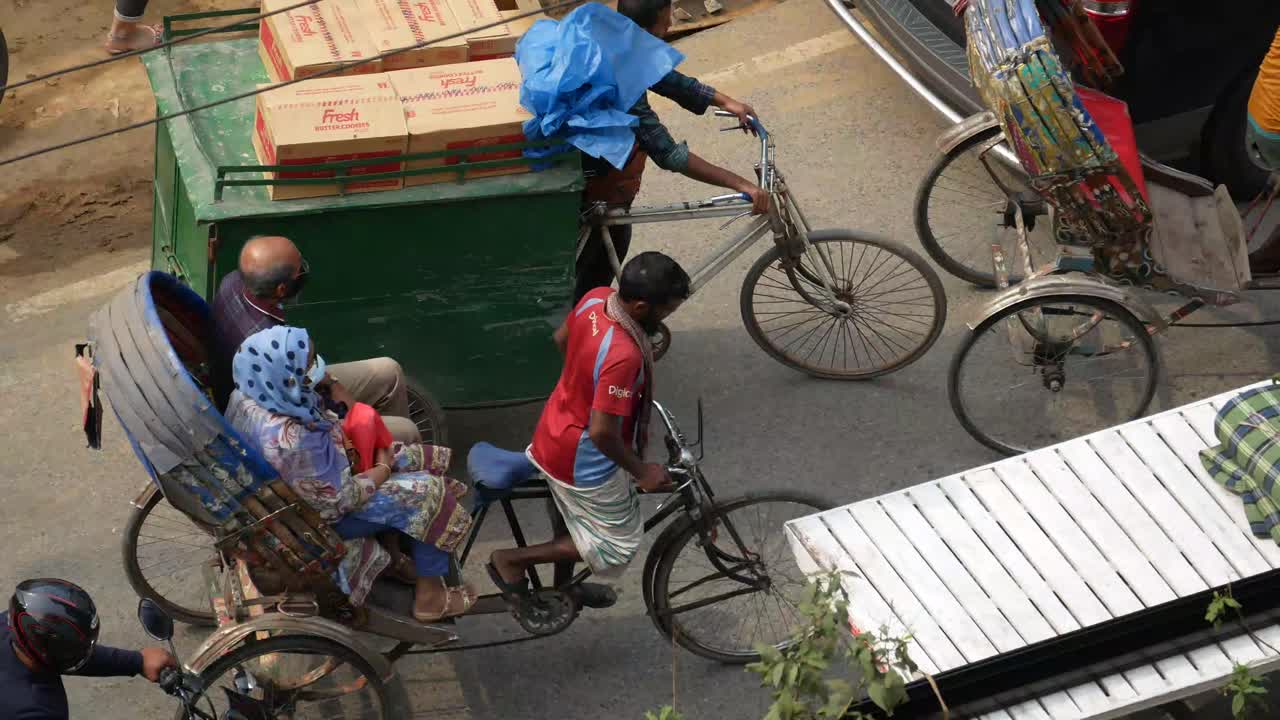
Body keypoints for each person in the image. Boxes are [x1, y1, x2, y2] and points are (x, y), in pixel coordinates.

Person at [225, 325, 477, 622]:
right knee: (430, 493)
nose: (317, 371)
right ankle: (430, 597)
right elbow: (341, 501)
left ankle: (395, 558)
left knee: (410, 456)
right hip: (319, 519)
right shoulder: (295, 439)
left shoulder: (249, 396)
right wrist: (382, 468)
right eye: (308, 368)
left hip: (294, 494)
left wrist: (332, 392)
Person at [488, 252, 690, 598]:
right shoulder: (623, 356)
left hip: (553, 428)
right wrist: (642, 471)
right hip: (581, 459)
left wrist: (584, 381)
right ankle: (511, 560)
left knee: (571, 523)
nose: (667, 318)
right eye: (666, 311)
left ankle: (562, 590)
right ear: (640, 307)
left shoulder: (597, 298)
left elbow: (561, 339)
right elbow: (601, 432)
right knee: (617, 544)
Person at [572, 0, 769, 302]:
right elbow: (668, 154)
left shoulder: (617, 38)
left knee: (615, 237)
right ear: (648, 28)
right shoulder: (619, 78)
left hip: (607, 184)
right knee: (593, 276)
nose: (670, 27)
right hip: (593, 187)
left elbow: (669, 80)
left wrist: (726, 101)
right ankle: (584, 337)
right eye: (665, 22)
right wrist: (743, 185)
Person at [210, 235, 420, 443]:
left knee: (389, 370)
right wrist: (347, 406)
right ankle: (384, 459)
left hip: (273, 387)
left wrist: (330, 382)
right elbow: (306, 404)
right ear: (281, 289)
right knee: (407, 431)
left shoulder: (233, 281)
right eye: (299, 270)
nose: (303, 269)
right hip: (281, 418)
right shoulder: (265, 343)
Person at [0, 579, 176, 720]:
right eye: (74, 650)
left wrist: (137, 661)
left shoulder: (11, 625)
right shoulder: (35, 709)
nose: (85, 653)